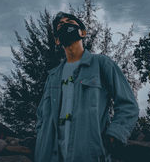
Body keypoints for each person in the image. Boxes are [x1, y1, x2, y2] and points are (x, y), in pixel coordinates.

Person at [34, 11, 139, 162]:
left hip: (90, 155)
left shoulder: (102, 64)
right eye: (60, 25)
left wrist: (115, 135)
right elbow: (41, 116)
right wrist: (42, 140)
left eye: (69, 21)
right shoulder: (53, 76)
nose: (64, 25)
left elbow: (128, 104)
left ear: (82, 32)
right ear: (57, 40)